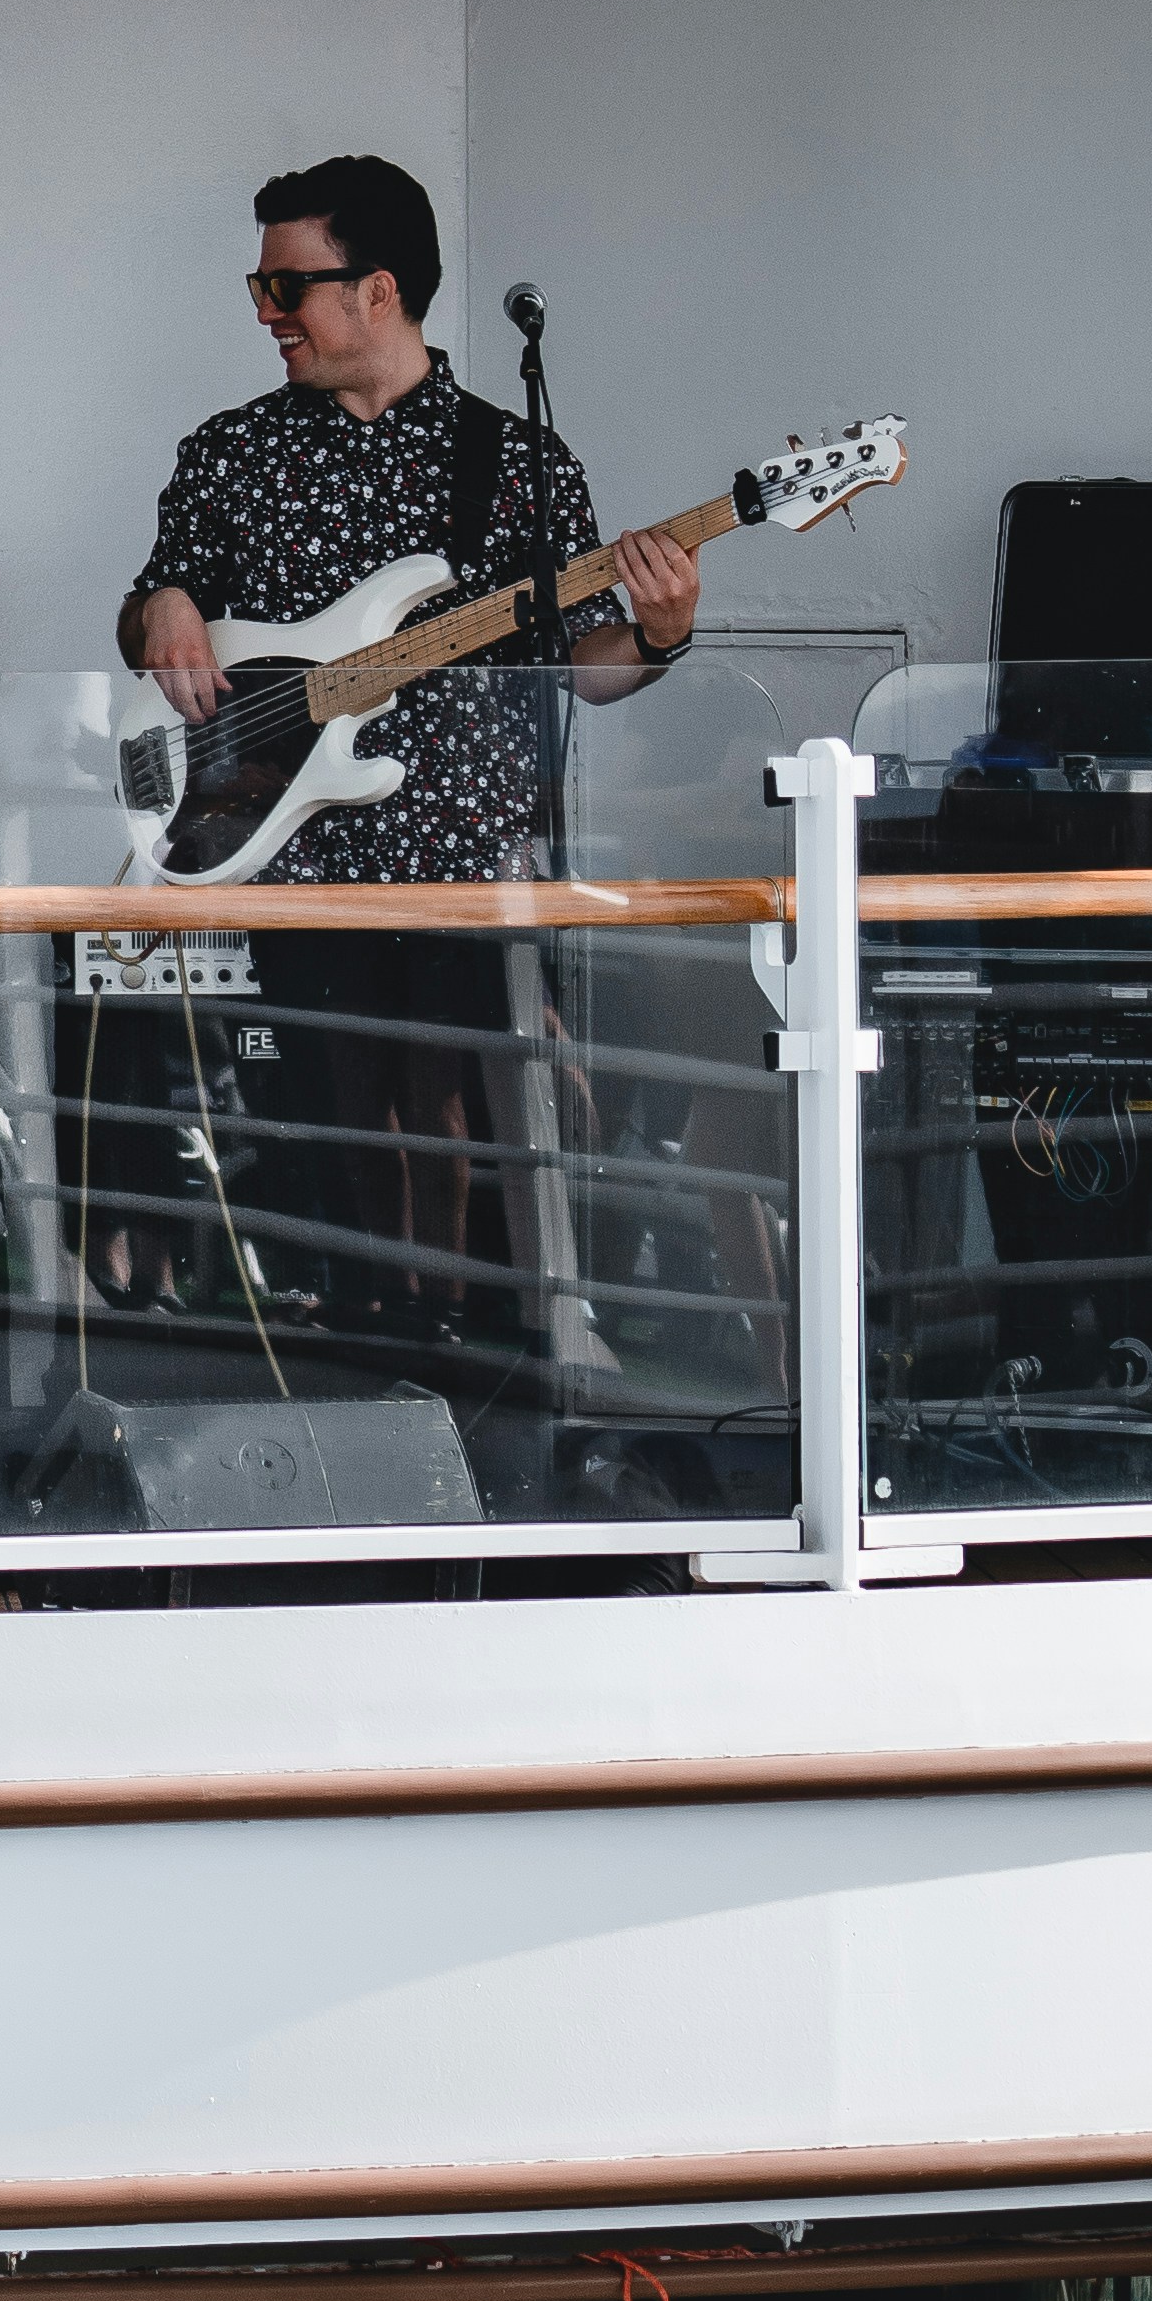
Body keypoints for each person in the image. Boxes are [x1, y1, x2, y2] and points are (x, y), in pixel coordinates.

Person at [118, 154, 700, 1420]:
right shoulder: (232, 455)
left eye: (288, 285)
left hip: (466, 875)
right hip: (295, 866)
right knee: (323, 1141)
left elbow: (584, 669)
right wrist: (161, 603)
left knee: (466, 1137)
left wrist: (660, 631)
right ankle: (345, 1386)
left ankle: (483, 1393)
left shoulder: (517, 462)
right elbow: (156, 614)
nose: (266, 310)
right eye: (260, 284)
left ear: (378, 289)